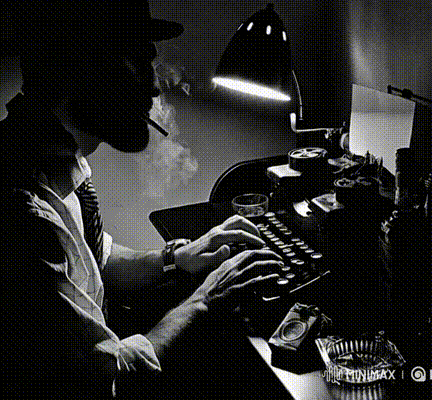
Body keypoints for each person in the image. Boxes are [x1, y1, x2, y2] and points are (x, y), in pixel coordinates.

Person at [3, 1, 282, 398]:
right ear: (83, 66)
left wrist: (176, 257)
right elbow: (110, 381)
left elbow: (96, 260)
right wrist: (205, 298)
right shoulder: (25, 217)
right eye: (137, 59)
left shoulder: (55, 156)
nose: (153, 86)